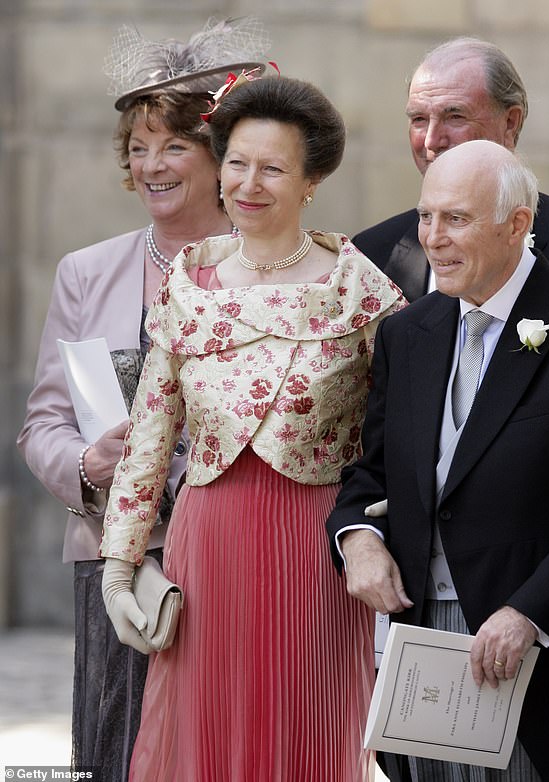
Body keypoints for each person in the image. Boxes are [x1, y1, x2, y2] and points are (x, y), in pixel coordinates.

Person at [99, 73, 406, 781]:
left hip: (316, 547)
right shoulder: (188, 283)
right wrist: (121, 565)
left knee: (311, 731)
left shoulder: (360, 289)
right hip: (207, 547)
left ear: (310, 182)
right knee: (203, 735)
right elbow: (151, 431)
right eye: (236, 163)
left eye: (272, 168)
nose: (248, 183)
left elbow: (397, 433)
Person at [16, 17, 271, 781]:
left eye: (174, 146)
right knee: (117, 754)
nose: (152, 165)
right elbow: (42, 426)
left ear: (219, 157)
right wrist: (86, 464)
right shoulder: (84, 273)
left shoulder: (271, 268)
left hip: (236, 558)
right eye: (138, 148)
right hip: (117, 567)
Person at [327, 140, 549, 782]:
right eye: (424, 217)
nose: (431, 239)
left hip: (532, 646)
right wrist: (356, 538)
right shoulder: (409, 332)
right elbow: (372, 472)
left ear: (518, 224)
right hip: (420, 640)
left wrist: (531, 613)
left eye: (456, 219)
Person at [353, 37, 549, 301]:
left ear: (510, 123)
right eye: (419, 119)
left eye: (455, 116)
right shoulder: (370, 255)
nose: (431, 140)